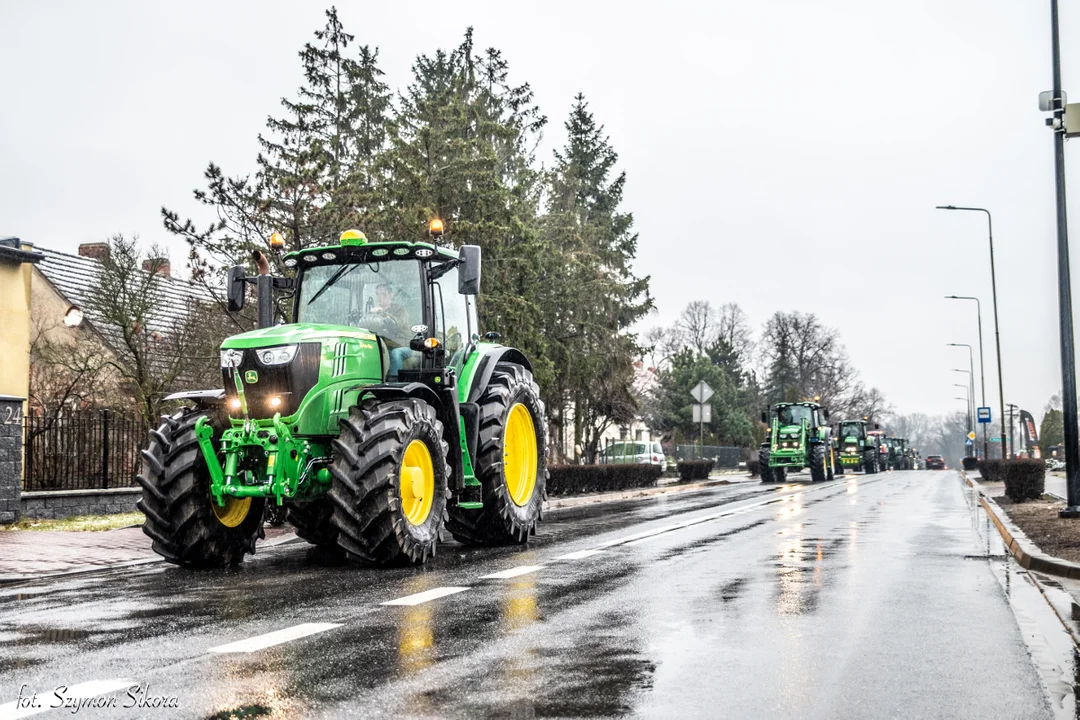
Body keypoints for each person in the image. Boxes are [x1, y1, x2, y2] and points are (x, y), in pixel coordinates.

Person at [373, 282, 416, 379]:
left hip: (403, 345)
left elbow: (395, 324)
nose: (379, 297)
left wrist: (381, 312)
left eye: (383, 294)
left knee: (396, 353)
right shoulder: (374, 313)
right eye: (377, 294)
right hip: (384, 345)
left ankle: (394, 381)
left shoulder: (400, 310)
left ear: (390, 295)